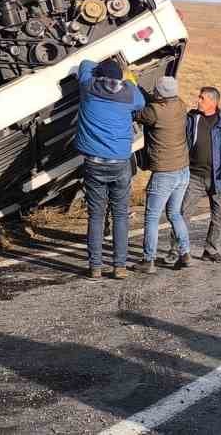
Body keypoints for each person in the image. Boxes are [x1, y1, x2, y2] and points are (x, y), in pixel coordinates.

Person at [75, 57, 145, 278]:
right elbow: (141, 101)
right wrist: (128, 77)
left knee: (96, 215)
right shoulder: (129, 93)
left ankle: (95, 266)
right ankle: (119, 266)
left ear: (99, 75)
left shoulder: (89, 86)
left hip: (94, 162)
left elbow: (84, 64)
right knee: (120, 215)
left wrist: (96, 67)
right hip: (119, 162)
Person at [167, 86, 221, 264]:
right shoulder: (191, 119)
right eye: (199, 97)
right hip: (193, 175)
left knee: (220, 216)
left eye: (202, 98)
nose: (198, 100)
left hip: (219, 177)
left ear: (213, 102)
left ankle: (211, 250)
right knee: (183, 213)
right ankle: (176, 250)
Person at [136, 76, 191, 273]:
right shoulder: (181, 105)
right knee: (174, 214)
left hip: (164, 172)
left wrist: (135, 88)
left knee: (152, 217)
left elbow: (138, 114)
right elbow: (158, 102)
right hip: (183, 170)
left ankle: (148, 260)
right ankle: (185, 253)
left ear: (159, 95)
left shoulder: (153, 112)